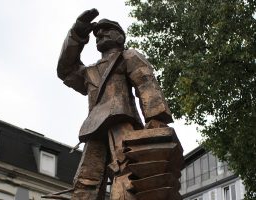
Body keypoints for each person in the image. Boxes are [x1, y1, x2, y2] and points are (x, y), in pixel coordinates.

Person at [57, 8, 181, 200]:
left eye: (107, 30)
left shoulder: (128, 56)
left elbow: (145, 82)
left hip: (122, 122)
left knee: (127, 167)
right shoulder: (89, 72)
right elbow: (65, 70)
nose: (100, 34)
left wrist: (156, 118)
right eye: (97, 32)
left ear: (120, 37)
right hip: (95, 128)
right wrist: (78, 32)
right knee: (86, 180)